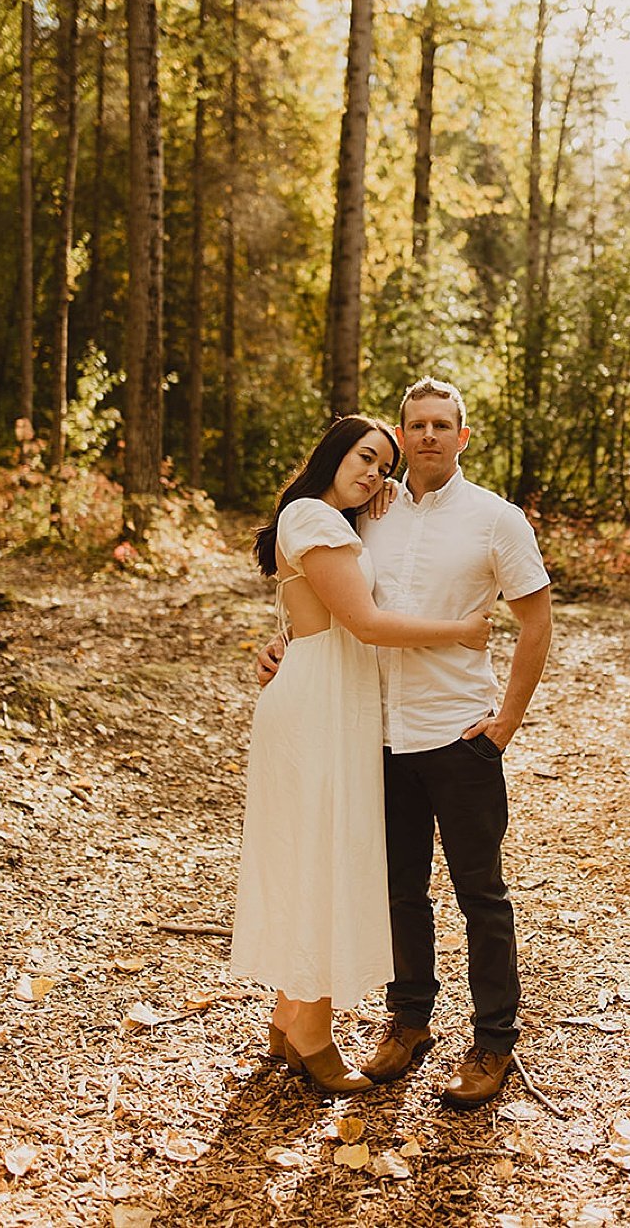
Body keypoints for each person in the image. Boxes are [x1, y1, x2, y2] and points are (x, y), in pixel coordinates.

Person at [259, 377, 553, 1108]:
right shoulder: (369, 514)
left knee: (480, 893)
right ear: (400, 438)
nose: (426, 435)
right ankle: (409, 1022)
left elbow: (536, 623)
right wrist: (283, 645)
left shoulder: (496, 519)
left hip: (458, 731)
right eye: (414, 424)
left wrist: (506, 723)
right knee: (397, 893)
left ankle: (492, 1042)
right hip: (373, 732)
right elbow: (328, 598)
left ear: (462, 435)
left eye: (440, 423)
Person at [230, 414, 491, 1096]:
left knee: (322, 855)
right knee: (323, 857)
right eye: (364, 457)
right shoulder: (315, 518)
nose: (374, 472)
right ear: (332, 454)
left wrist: (378, 500)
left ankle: (291, 1015)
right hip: (318, 704)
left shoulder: (329, 518)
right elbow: (366, 622)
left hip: (332, 695)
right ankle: (309, 1030)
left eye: (385, 466)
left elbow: (323, 609)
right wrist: (461, 630)